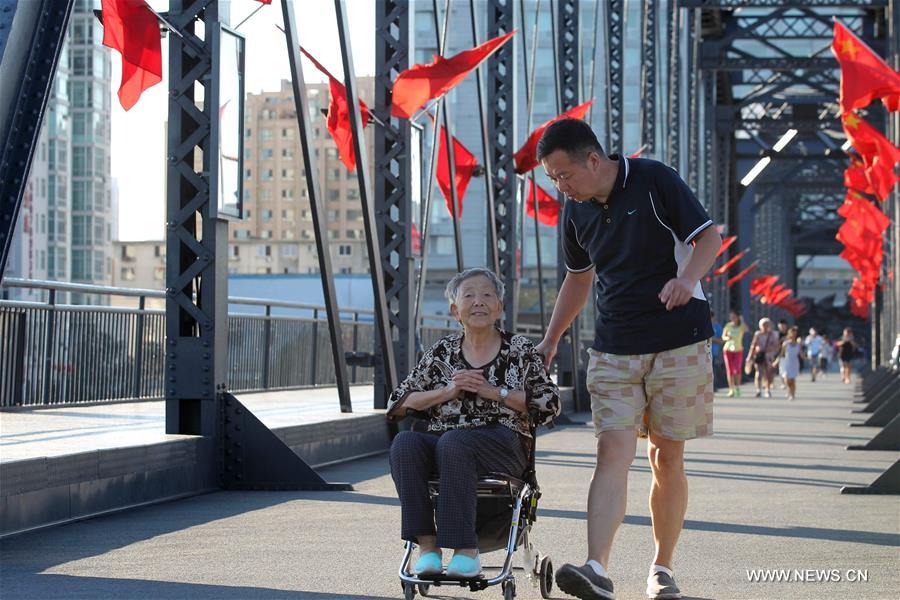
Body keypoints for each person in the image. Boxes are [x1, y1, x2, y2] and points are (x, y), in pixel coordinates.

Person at [534, 118, 721, 600]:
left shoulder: (655, 180)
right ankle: (597, 567)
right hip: (614, 345)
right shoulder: (576, 214)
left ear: (593, 160)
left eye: (564, 175)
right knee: (611, 450)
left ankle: (662, 569)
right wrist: (552, 338)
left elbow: (708, 238)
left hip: (679, 340)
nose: (561, 186)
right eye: (553, 179)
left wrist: (687, 280)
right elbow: (578, 279)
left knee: (666, 456)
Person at [386, 267, 559, 579]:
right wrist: (448, 391)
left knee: (455, 442)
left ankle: (465, 551)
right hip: (447, 441)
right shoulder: (441, 353)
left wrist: (492, 391)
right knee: (405, 444)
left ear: (499, 308)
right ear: (455, 310)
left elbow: (549, 404)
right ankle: (428, 548)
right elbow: (398, 402)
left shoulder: (519, 350)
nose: (478, 301)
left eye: (487, 295)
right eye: (469, 295)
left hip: (503, 441)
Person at [745, 318, 779, 398]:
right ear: (760, 326)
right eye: (763, 325)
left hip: (769, 356)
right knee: (758, 373)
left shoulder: (773, 334)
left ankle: (767, 390)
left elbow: (777, 346)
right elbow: (753, 345)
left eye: (767, 325)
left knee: (768, 374)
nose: (765, 327)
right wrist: (749, 357)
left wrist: (770, 348)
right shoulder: (758, 334)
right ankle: (758, 390)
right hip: (759, 356)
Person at [773, 326, 806, 400]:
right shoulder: (785, 344)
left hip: (794, 363)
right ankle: (789, 391)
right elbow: (781, 354)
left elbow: (802, 355)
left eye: (795, 333)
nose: (793, 335)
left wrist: (806, 357)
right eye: (792, 333)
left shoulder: (798, 344)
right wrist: (776, 362)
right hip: (786, 363)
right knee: (787, 379)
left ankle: (792, 394)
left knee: (792, 380)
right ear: (789, 334)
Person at [721, 310, 747, 397]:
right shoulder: (728, 326)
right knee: (730, 370)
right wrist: (727, 337)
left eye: (734, 317)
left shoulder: (741, 326)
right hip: (728, 349)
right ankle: (731, 389)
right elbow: (723, 336)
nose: (732, 318)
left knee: (737, 370)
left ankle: (737, 388)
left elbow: (746, 329)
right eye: (731, 317)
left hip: (738, 349)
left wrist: (742, 320)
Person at [776, 319, 789, 388]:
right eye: (781, 326)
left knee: (787, 370)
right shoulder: (776, 334)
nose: (782, 327)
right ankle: (783, 382)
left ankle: (787, 382)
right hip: (780, 353)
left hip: (789, 354)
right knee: (781, 369)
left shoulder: (789, 333)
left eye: (783, 326)